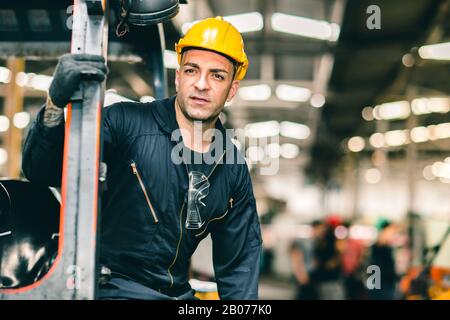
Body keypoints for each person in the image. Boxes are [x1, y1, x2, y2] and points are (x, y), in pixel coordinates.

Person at [21, 16, 262, 300]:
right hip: (107, 287)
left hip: (175, 295)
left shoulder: (231, 167)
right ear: (178, 76)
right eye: (191, 70)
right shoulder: (125, 123)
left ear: (231, 89)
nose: (201, 84)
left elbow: (241, 264)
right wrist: (53, 106)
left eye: (217, 75)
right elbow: (42, 170)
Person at [290, 220, 325, 300]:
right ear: (314, 228)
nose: (322, 232)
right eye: (320, 229)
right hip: (305, 274)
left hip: (312, 274)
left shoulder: (317, 242)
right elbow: (296, 257)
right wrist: (300, 274)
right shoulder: (305, 241)